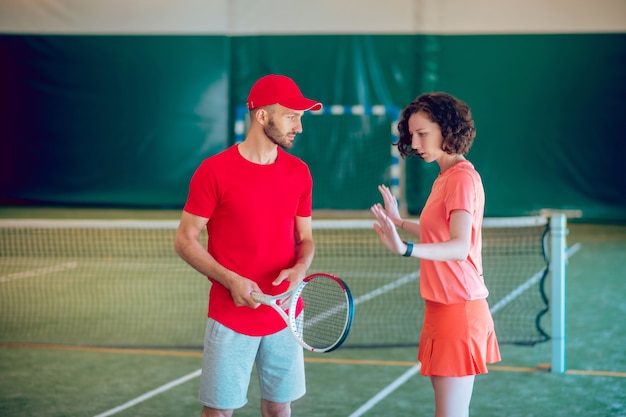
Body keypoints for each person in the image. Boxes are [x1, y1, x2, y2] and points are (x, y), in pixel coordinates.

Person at [174, 74, 322, 417]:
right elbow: (185, 240)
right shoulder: (213, 171)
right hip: (231, 316)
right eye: (291, 116)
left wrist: (300, 269)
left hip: (285, 313)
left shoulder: (299, 173)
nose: (299, 126)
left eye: (301, 117)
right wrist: (231, 280)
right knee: (219, 412)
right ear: (262, 116)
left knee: (278, 406)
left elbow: (306, 240)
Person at [370, 92, 501, 417]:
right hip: (441, 310)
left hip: (459, 311)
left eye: (422, 134)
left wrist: (405, 249)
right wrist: (400, 222)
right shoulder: (445, 177)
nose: (414, 142)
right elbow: (439, 231)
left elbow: (458, 246)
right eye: (411, 134)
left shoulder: (461, 179)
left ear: (447, 128)